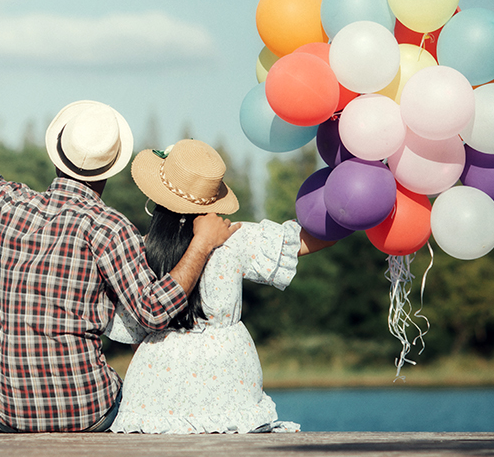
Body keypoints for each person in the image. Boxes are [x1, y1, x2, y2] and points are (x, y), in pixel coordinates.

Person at [0, 93, 240, 433]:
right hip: (87, 412)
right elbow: (153, 310)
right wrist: (203, 243)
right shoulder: (110, 228)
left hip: (9, 412)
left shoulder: (8, 205)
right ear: (108, 170)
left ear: (58, 156)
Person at [106, 138, 336, 434]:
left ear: (158, 199)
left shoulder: (141, 249)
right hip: (228, 380)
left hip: (153, 389)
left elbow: (132, 328)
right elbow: (309, 239)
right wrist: (353, 206)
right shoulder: (234, 238)